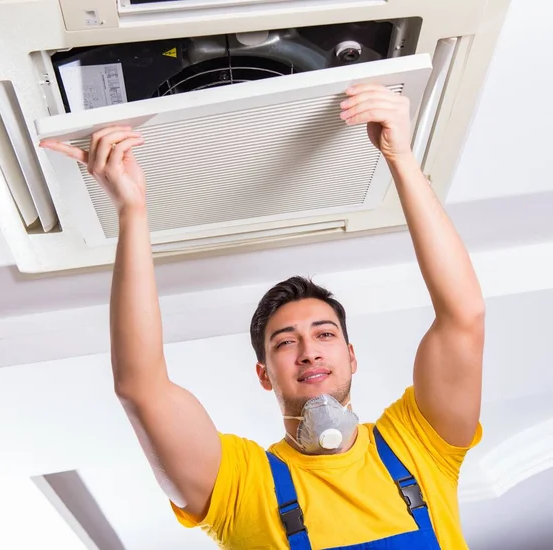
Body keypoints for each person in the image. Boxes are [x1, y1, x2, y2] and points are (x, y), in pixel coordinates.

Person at [40, 83, 485, 549]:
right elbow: (140, 389)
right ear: (264, 374)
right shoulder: (240, 486)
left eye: (324, 333)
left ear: (352, 356)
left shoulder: (419, 447)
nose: (309, 351)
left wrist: (401, 158)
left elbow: (464, 316)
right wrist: (132, 211)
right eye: (285, 342)